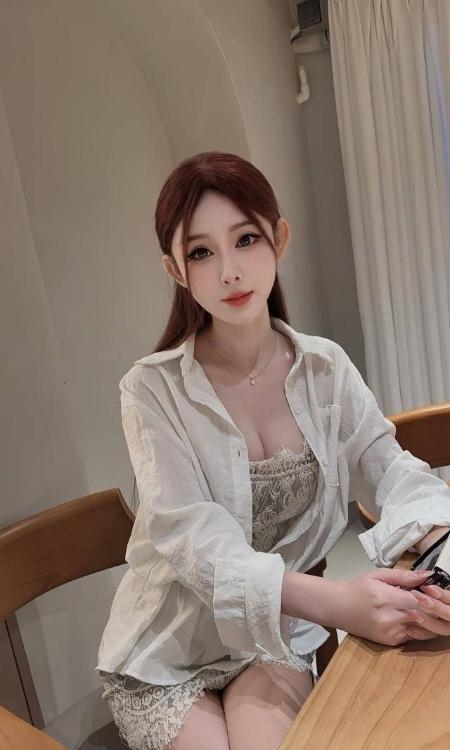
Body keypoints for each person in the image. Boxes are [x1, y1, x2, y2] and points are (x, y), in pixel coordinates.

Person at [96, 152, 450, 750]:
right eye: (202, 252)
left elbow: (387, 467)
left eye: (246, 239)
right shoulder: (152, 389)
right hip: (165, 652)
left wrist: (441, 549)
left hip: (272, 635)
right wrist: (340, 603)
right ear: (176, 270)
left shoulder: (324, 367)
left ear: (278, 239)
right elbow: (197, 543)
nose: (230, 271)